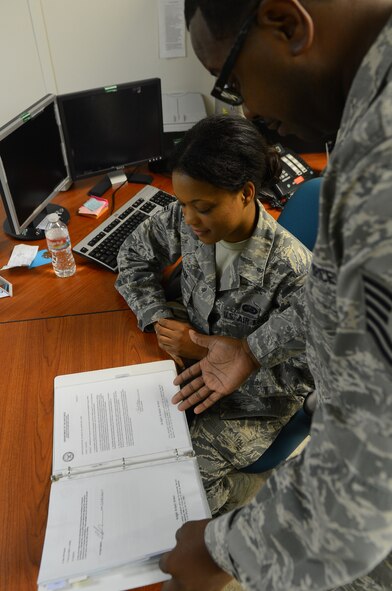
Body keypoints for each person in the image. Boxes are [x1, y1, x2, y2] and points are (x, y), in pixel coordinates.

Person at [158, 1, 392, 590]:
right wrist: (254, 346)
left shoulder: (381, 164)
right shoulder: (368, 113)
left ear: (286, 23)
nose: (249, 112)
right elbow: (344, 294)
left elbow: (359, 488)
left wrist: (220, 552)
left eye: (233, 83)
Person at [115, 113, 314, 515]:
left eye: (201, 207)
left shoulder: (295, 271)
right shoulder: (188, 218)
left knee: (186, 490)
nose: (188, 219)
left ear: (245, 193)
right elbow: (133, 257)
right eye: (183, 204)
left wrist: (209, 353)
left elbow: (306, 375)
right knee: (129, 433)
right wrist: (157, 316)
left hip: (258, 398)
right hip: (191, 355)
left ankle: (232, 510)